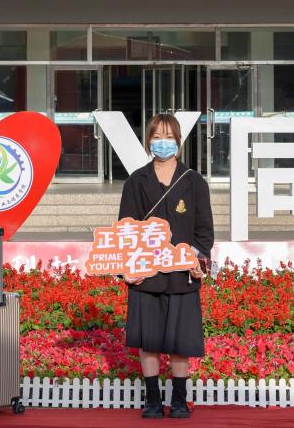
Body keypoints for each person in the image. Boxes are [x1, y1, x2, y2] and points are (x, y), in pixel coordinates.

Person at [118, 113, 214, 419]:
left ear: (179, 142)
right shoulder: (136, 181)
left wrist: (198, 263)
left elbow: (204, 233)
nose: (163, 142)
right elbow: (125, 231)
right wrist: (127, 269)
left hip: (182, 277)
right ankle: (153, 401)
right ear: (148, 141)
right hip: (146, 277)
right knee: (148, 342)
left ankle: (180, 401)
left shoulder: (194, 181)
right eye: (157, 137)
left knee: (180, 342)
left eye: (169, 137)